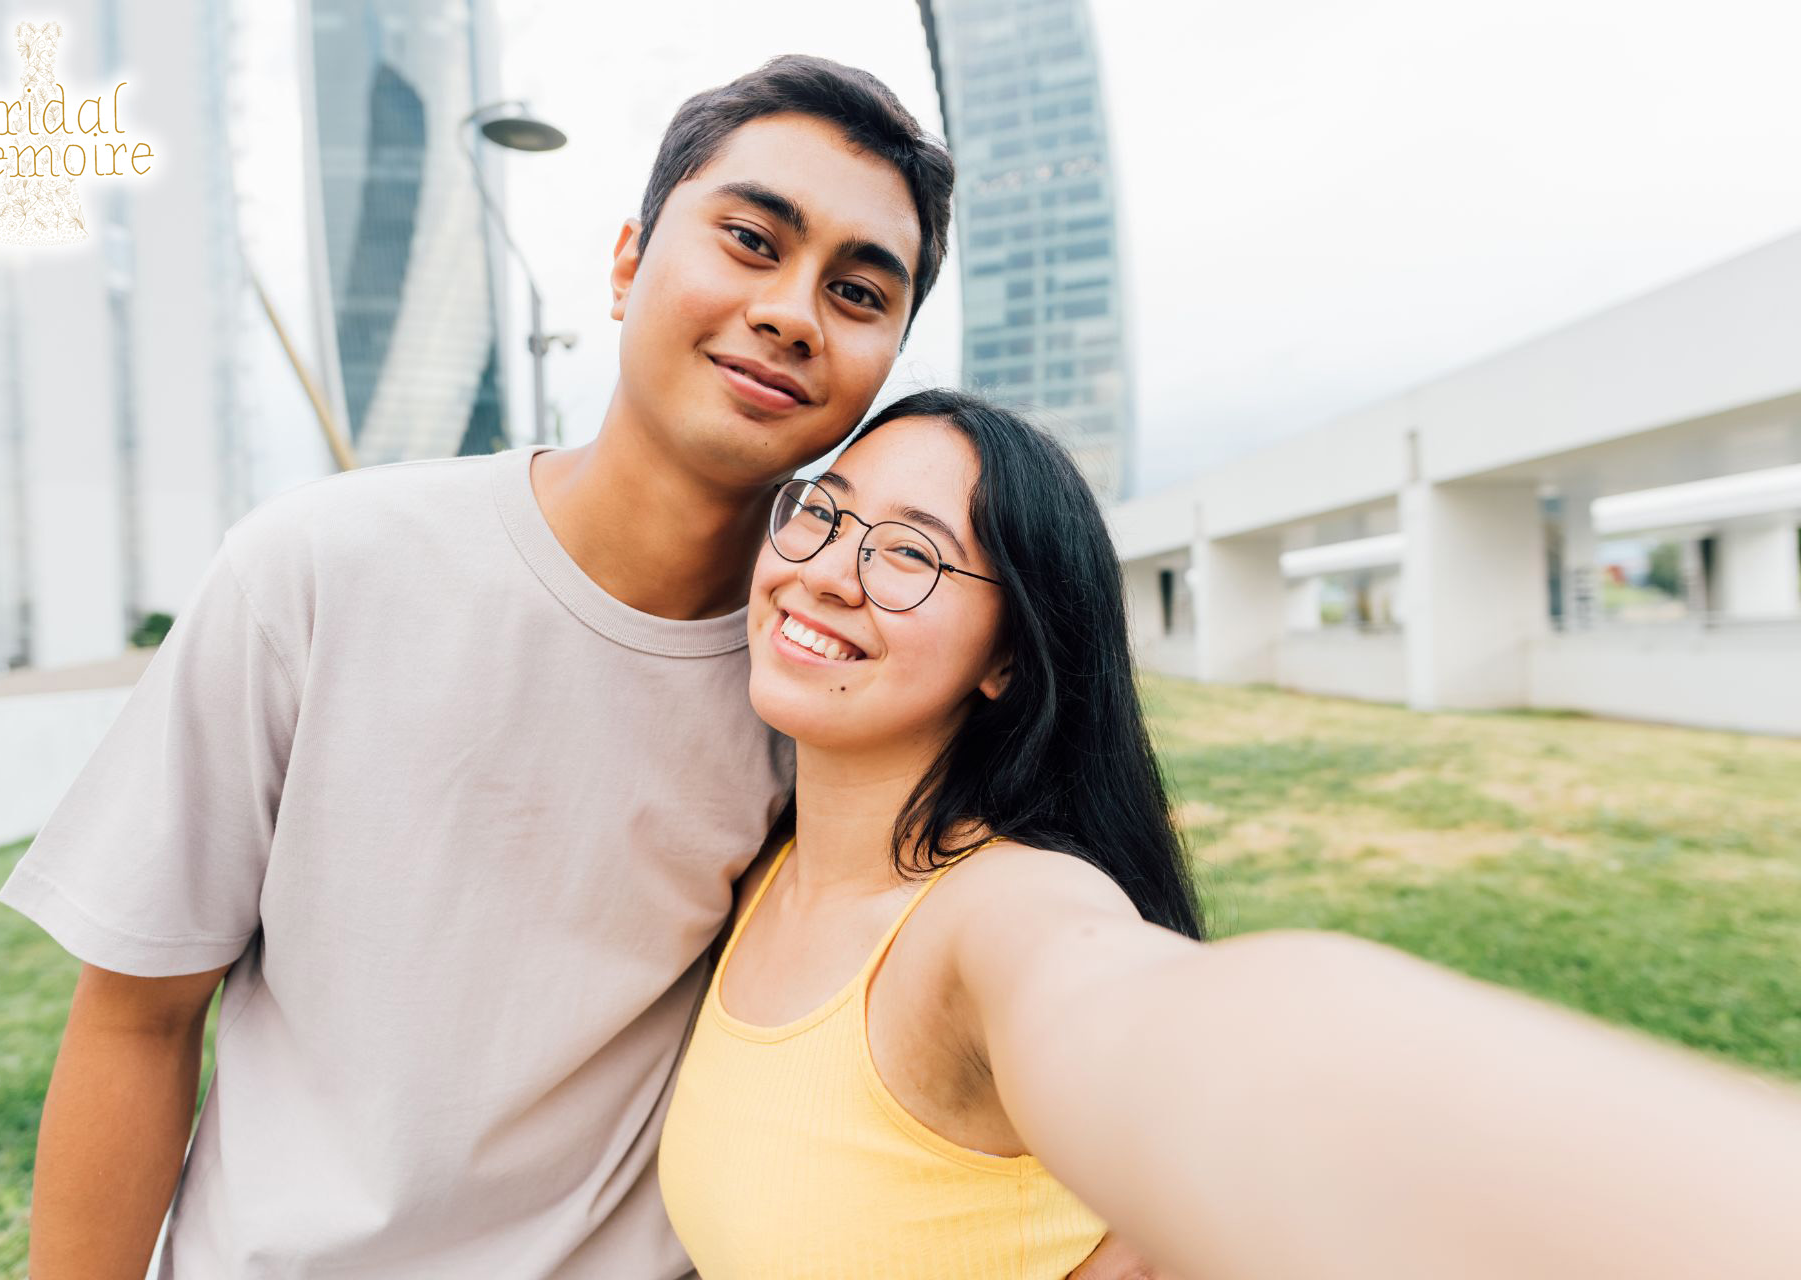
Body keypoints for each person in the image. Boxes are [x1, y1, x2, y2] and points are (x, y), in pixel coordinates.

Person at [0, 55, 1148, 1280]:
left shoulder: (831, 686)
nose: (794, 311)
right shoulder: (315, 571)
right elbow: (134, 1018)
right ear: (624, 263)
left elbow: (1051, 961)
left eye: (860, 293)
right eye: (752, 239)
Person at [657, 387, 1801, 1279]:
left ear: (1010, 656)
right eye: (824, 509)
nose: (826, 571)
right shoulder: (755, 871)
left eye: (908, 552)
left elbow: (1197, 1034)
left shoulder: (993, 916)